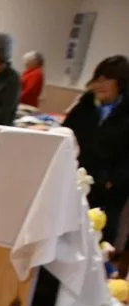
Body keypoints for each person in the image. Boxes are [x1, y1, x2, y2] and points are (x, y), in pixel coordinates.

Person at [65, 56, 129, 251]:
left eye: (107, 79)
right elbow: (66, 134)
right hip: (78, 180)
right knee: (69, 236)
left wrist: (113, 181)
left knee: (97, 240)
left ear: (121, 82)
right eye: (97, 79)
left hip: (109, 190)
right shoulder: (84, 106)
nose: (99, 85)